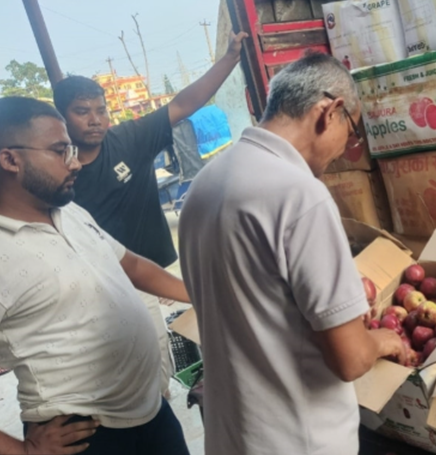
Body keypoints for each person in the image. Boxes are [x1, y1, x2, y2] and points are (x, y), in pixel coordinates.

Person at [178, 53, 407, 455]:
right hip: (298, 441)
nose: (345, 149)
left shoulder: (203, 185)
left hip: (230, 436)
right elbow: (351, 360)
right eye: (351, 131)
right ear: (330, 112)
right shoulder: (300, 195)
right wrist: (381, 341)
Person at [52, 31, 248, 394]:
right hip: (86, 291)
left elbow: (184, 103)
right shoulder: (52, 170)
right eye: (82, 111)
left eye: (101, 110)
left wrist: (229, 59)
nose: (95, 119)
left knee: (155, 370)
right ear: (61, 118)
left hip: (140, 280)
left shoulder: (130, 139)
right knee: (104, 379)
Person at [0, 96, 191, 455]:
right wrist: (22, 451)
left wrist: (200, 295)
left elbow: (130, 265)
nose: (75, 163)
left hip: (149, 411)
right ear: (10, 159)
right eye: (60, 151)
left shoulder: (69, 211)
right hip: (84, 436)